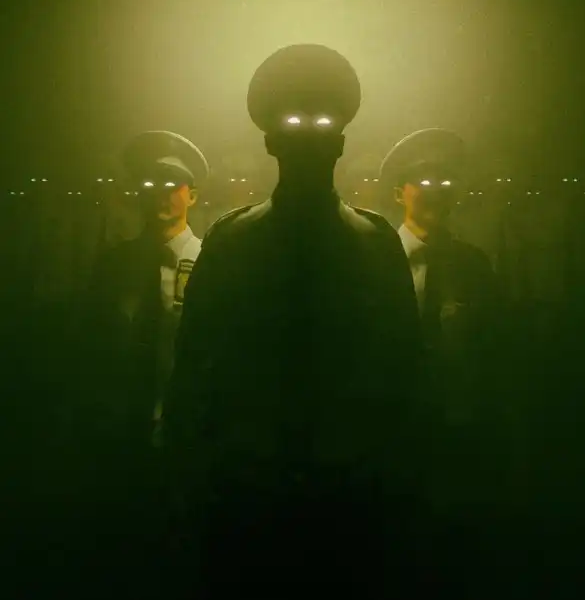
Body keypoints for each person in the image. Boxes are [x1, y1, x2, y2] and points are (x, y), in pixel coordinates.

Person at [164, 45, 425, 595]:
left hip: (337, 486)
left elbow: (405, 371)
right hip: (259, 485)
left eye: (322, 123)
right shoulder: (365, 241)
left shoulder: (240, 239)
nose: (308, 137)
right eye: (293, 123)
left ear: (341, 141)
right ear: (270, 141)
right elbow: (194, 366)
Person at [71, 130, 208, 583]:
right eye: (151, 184)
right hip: (119, 434)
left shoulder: (214, 264)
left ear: (192, 194)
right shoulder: (115, 265)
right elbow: (93, 349)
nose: (163, 195)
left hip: (188, 435)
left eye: (174, 185)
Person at [380, 128, 510, 593]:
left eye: (445, 182)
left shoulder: (473, 267)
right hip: (386, 433)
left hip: (459, 433)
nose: (435, 191)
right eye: (422, 181)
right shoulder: (374, 260)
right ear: (399, 192)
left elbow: (495, 354)